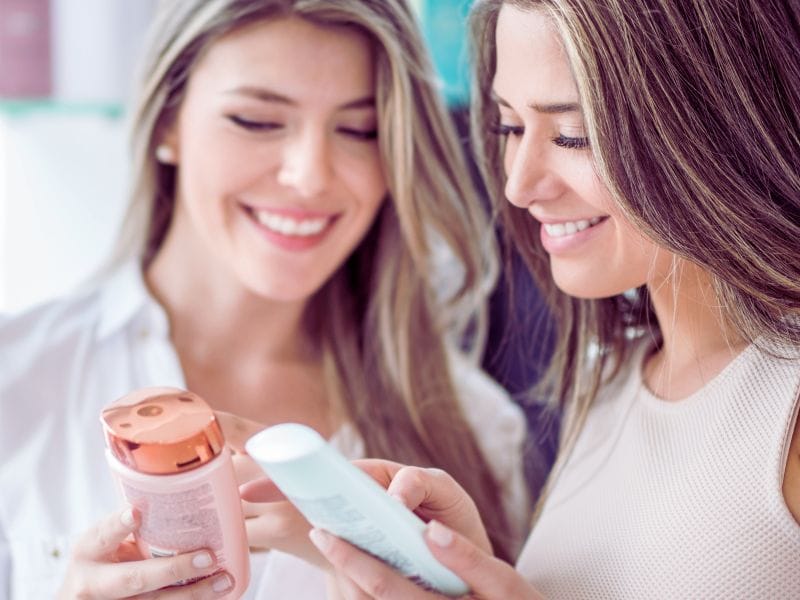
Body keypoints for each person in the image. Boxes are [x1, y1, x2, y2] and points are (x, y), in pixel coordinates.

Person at [0, 1, 532, 598]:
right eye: (257, 120)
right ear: (168, 122)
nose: (310, 176)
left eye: (359, 130)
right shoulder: (15, 383)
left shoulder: (475, 429)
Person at [283, 0, 800, 597]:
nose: (519, 185)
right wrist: (475, 574)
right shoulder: (610, 378)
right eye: (510, 127)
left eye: (574, 135)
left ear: (722, 124)